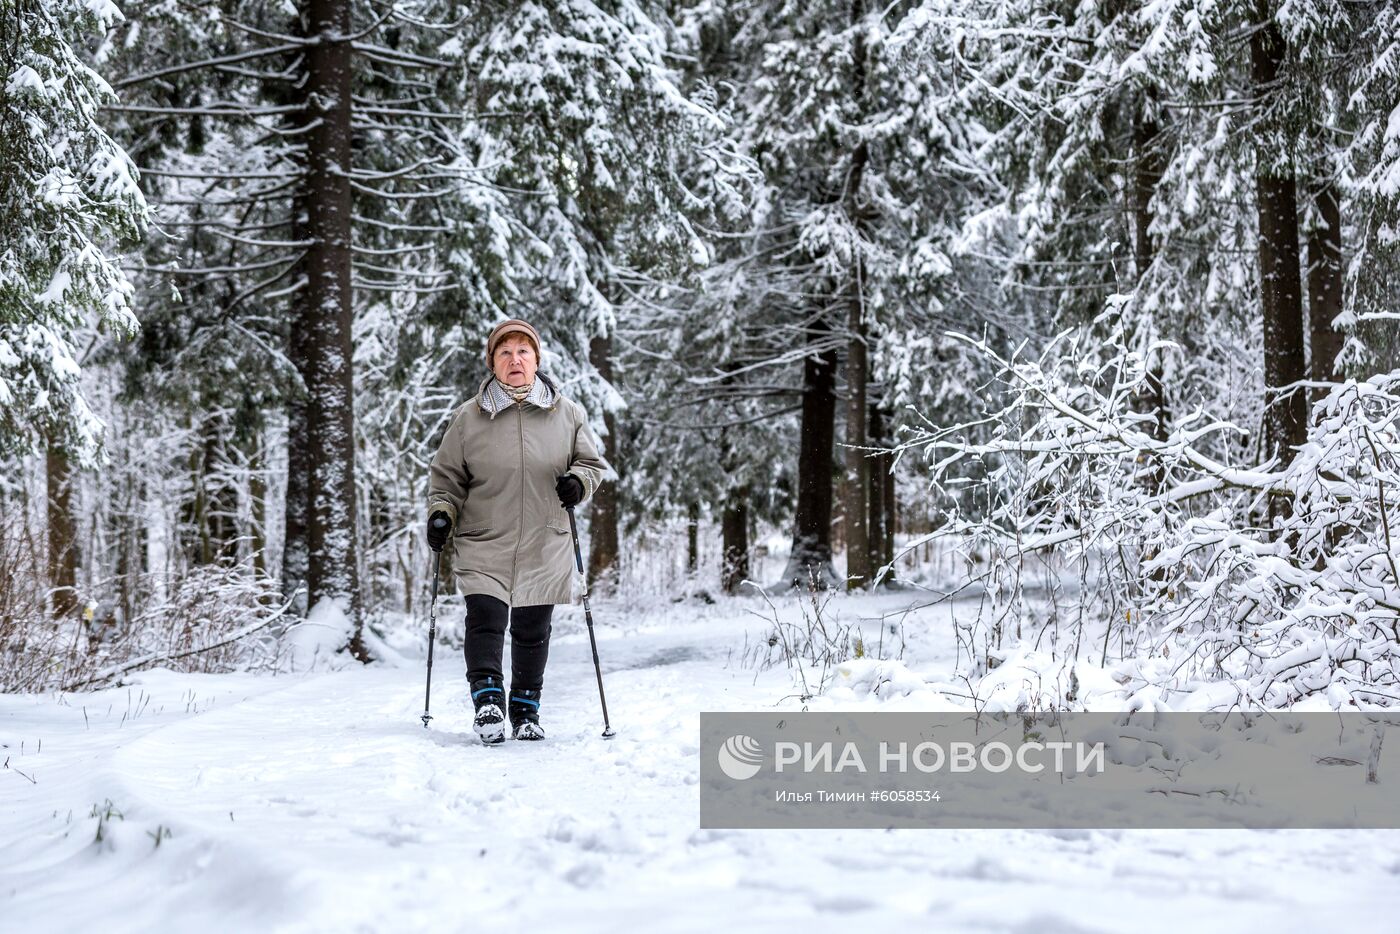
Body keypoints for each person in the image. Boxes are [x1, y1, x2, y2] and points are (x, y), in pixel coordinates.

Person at [425, 319, 608, 744]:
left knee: (532, 630)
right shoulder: (469, 418)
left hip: (545, 540)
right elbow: (446, 479)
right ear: (492, 363)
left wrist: (578, 482)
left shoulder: (565, 413)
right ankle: (488, 703)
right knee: (485, 620)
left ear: (537, 359)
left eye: (523, 351)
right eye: (505, 352)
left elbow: (591, 464)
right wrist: (441, 513)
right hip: (485, 539)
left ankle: (526, 710)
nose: (515, 359)